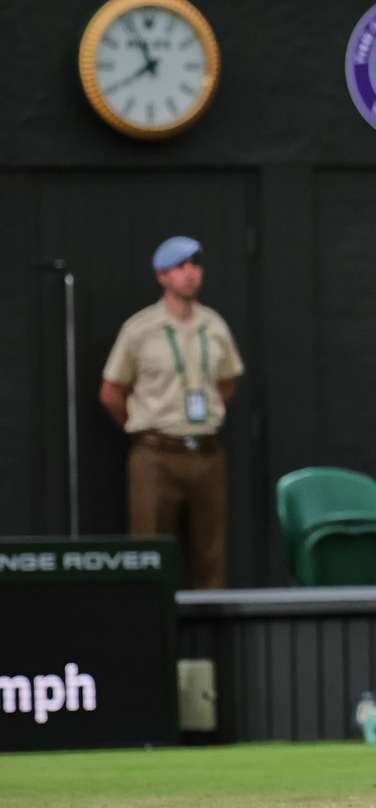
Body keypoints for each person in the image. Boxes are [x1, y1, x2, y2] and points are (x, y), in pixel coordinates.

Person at [99, 236, 244, 590]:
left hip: (207, 455)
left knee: (211, 557)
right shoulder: (140, 329)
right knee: (149, 555)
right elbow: (111, 393)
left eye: (195, 266)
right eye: (181, 267)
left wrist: (204, 417)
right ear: (162, 276)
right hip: (156, 456)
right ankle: (150, 639)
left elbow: (227, 384)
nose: (191, 274)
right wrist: (141, 427)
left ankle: (212, 643)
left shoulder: (215, 326)